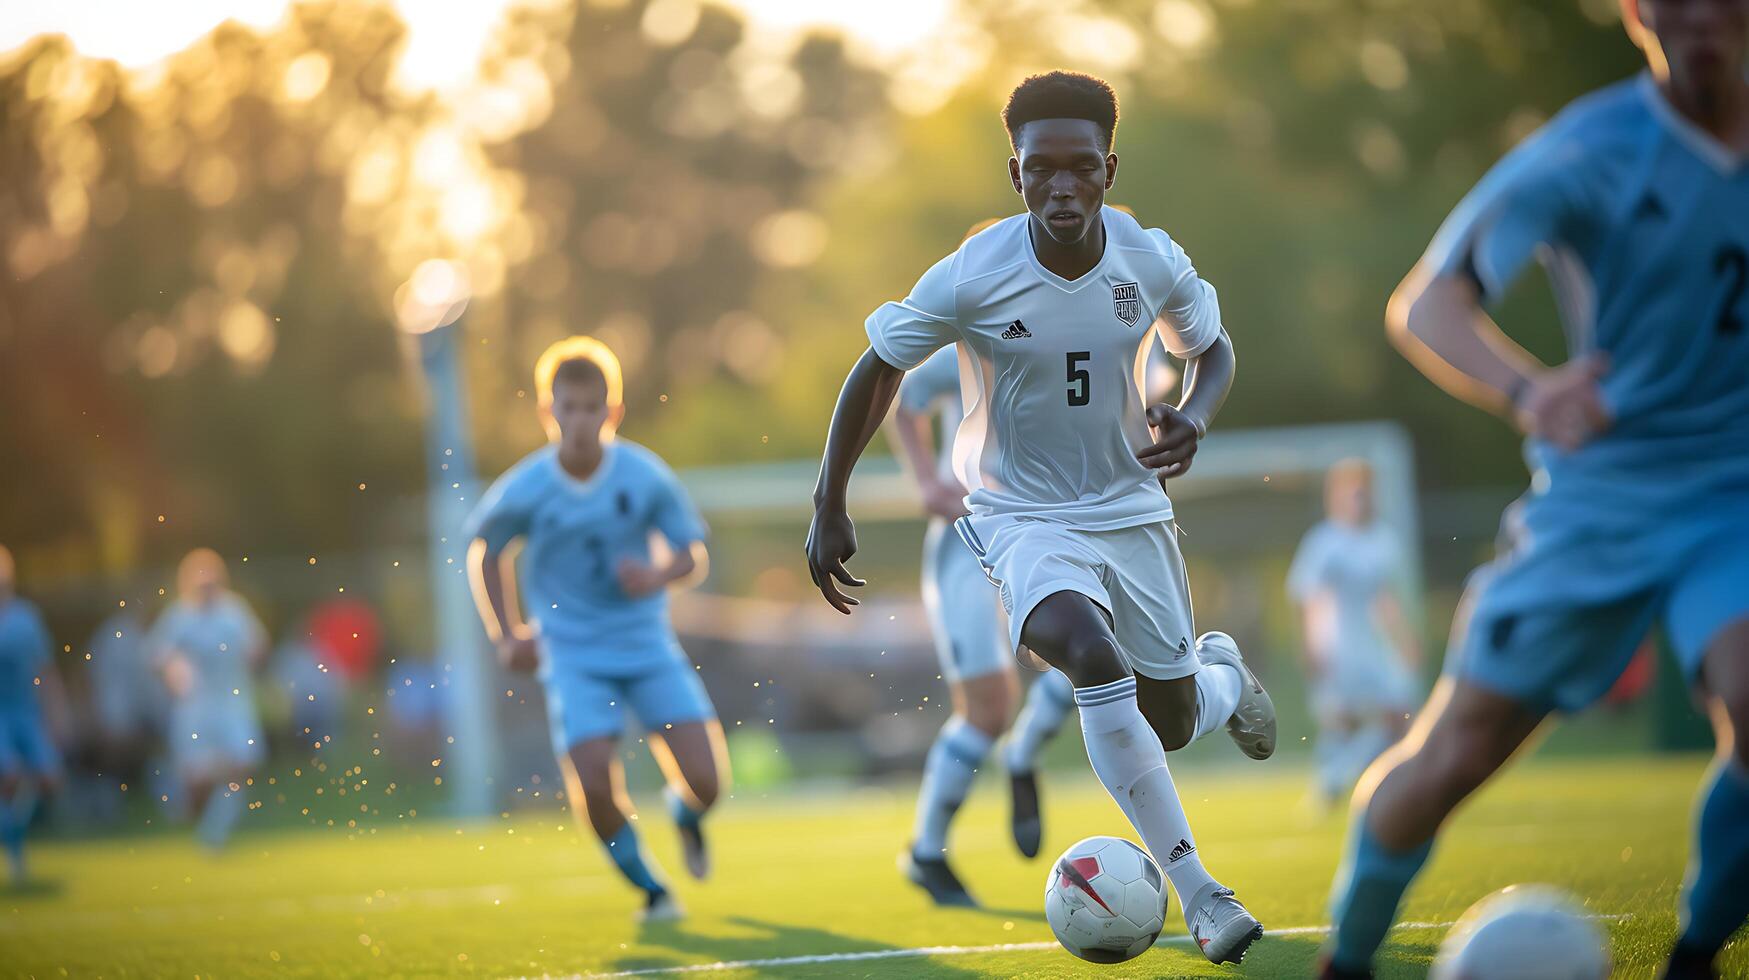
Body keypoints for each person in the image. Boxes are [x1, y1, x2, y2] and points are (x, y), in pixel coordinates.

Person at [804, 71, 1277, 964]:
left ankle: (1223, 681)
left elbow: (1209, 350)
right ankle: (1203, 896)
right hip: (1016, 513)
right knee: (1089, 656)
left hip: (1130, 507)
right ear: (1014, 175)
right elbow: (876, 369)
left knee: (1171, 720)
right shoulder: (974, 272)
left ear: (1109, 167)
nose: (1064, 186)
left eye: (1081, 167)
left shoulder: (1146, 256)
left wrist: (1196, 418)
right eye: (1042, 168)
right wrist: (828, 499)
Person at [1321, 3, 1749, 977]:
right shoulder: (1587, 151)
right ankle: (1343, 959)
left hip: (1738, 495)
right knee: (1452, 758)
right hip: (1605, 498)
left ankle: (1696, 955)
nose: (1701, 12)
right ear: (1637, 11)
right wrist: (1527, 389)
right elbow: (1429, 302)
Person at [465, 336, 726, 924]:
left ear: (614, 411)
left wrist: (657, 573)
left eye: (593, 408)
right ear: (547, 411)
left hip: (646, 645)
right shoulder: (527, 487)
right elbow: (486, 552)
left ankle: (685, 817)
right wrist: (506, 634)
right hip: (572, 653)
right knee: (594, 785)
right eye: (569, 407)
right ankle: (653, 889)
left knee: (707, 782)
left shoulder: (644, 475)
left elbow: (692, 554)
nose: (580, 421)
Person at [1287, 460, 1422, 808]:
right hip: (1337, 644)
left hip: (1373, 644)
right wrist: (1310, 646)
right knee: (1341, 721)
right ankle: (1328, 785)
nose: (1360, 499)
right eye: (1353, 491)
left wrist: (1405, 640)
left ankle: (1352, 779)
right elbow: (1308, 598)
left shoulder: (1383, 540)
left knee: (1399, 715)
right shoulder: (1324, 541)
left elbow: (1385, 598)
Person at [145, 548, 267, 851]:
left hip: (232, 701)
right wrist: (175, 670)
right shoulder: (179, 616)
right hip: (196, 706)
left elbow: (258, 644)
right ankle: (172, 790)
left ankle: (214, 832)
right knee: (196, 779)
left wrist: (252, 655)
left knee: (244, 763)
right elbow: (158, 656)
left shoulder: (234, 610)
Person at [0, 544, 68, 883]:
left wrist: (55, 712)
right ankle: (14, 852)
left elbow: (45, 668)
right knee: (8, 775)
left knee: (48, 777)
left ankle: (12, 835)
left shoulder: (25, 618)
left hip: (25, 710)